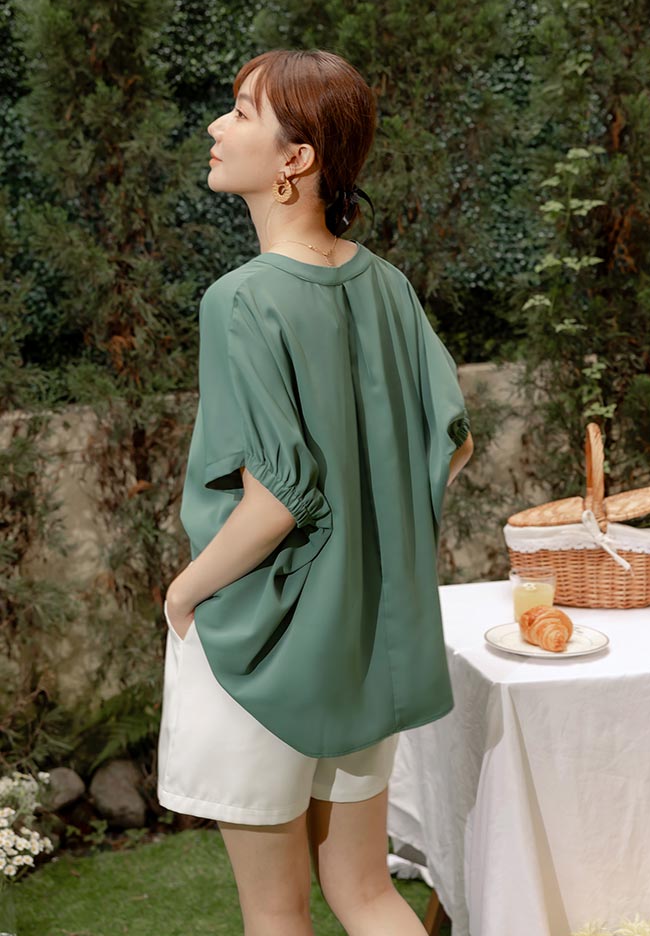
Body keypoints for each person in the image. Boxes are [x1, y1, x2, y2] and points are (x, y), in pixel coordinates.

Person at [157, 48, 474, 936]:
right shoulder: (389, 287)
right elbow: (452, 444)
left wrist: (182, 593)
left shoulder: (239, 300)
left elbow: (276, 500)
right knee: (367, 894)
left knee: (275, 913)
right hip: (371, 644)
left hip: (261, 643)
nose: (217, 126)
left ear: (295, 159)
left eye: (240, 112)